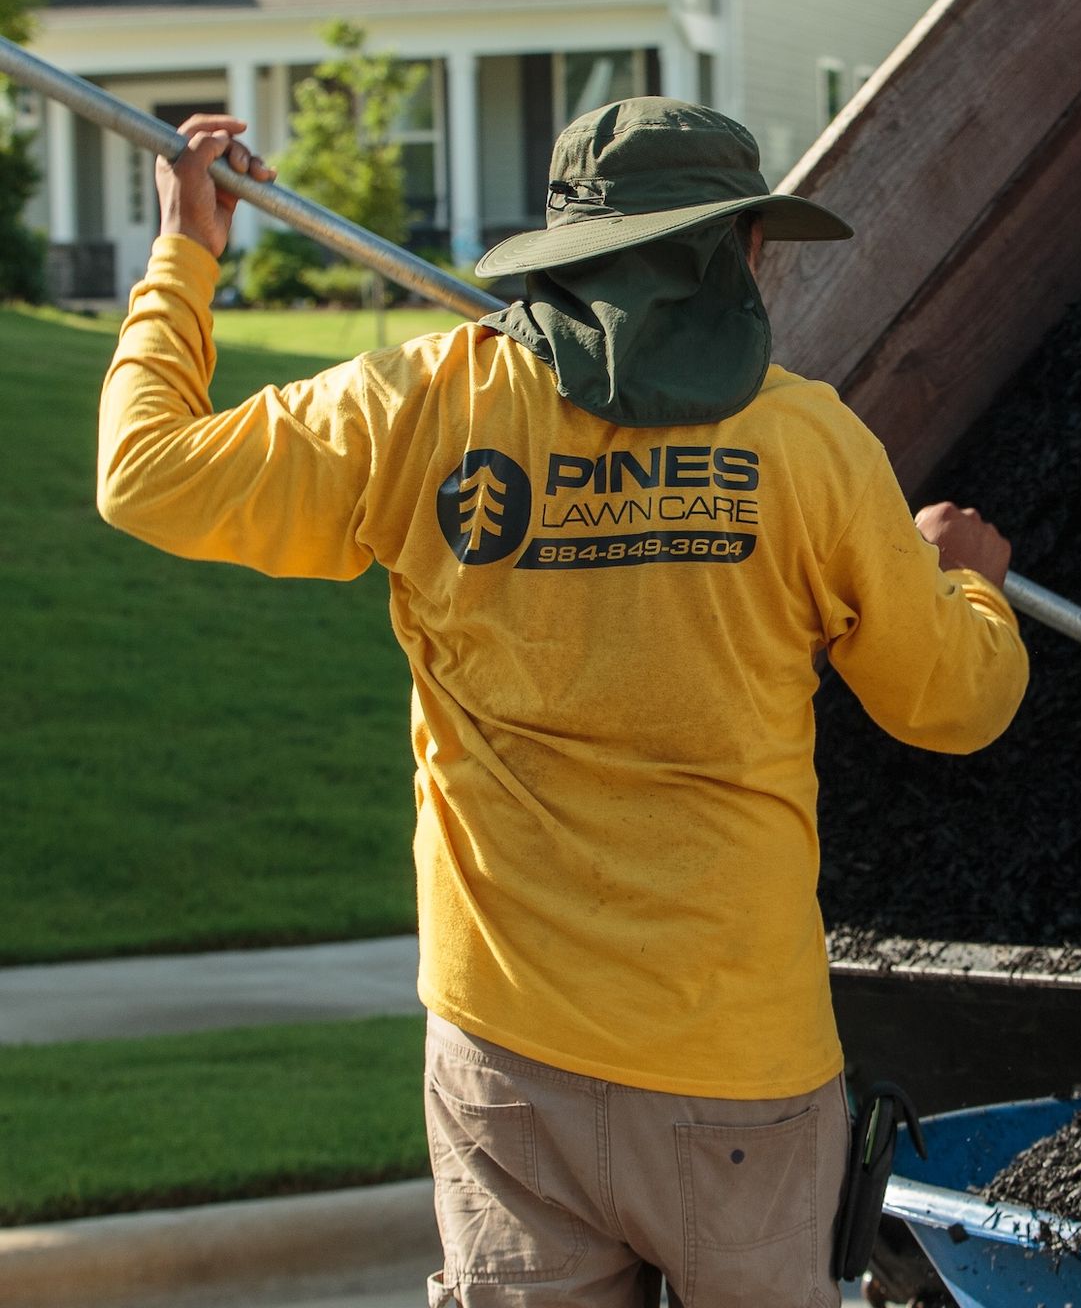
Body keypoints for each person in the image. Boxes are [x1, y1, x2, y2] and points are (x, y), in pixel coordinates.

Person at [98, 99, 1029, 1307]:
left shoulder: (422, 408)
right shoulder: (809, 450)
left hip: (509, 1072)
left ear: (565, 251)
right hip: (739, 1074)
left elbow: (143, 473)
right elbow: (953, 702)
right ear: (740, 252)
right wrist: (969, 583)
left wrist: (185, 251)